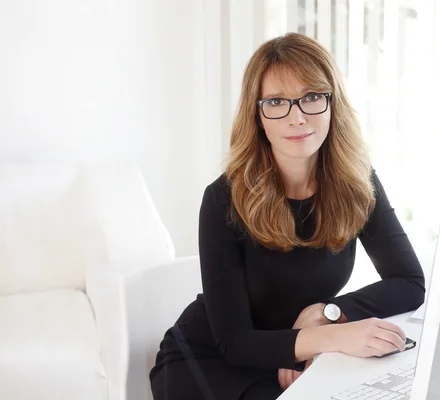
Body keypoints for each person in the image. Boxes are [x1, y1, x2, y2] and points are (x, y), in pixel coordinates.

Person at [149, 32, 425, 400]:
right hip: (209, 361)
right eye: (277, 102)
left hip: (294, 355)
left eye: (311, 97)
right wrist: (326, 339)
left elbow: (410, 281)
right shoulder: (222, 199)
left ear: (332, 104)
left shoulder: (357, 182)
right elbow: (234, 342)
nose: (297, 117)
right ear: (258, 115)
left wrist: (328, 312)